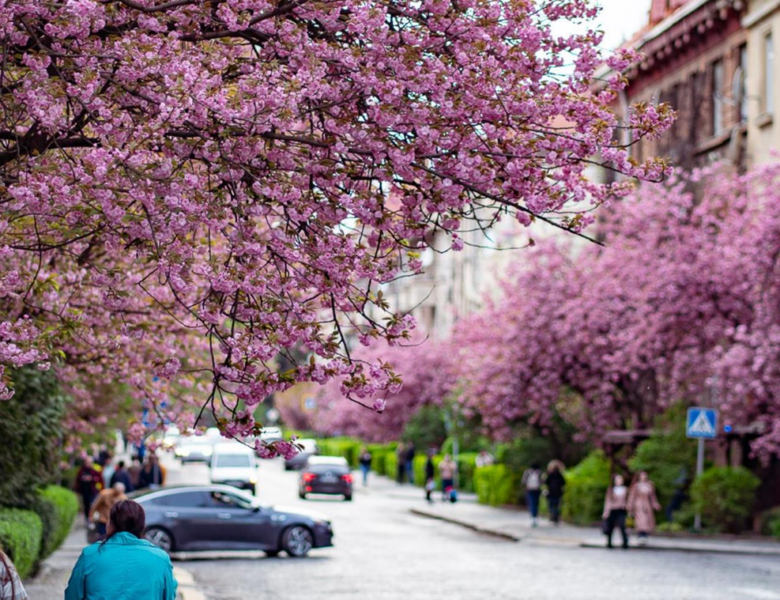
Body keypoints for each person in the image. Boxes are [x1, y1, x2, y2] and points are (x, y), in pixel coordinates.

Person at [65, 500, 177, 600]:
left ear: (110, 525)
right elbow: (169, 595)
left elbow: (72, 595)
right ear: (141, 526)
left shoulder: (90, 555)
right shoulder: (161, 558)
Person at [628, 471, 661, 545]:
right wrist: (630, 505)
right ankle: (640, 534)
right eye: (642, 475)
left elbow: (653, 497)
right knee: (640, 520)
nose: (643, 477)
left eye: (645, 475)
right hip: (638, 504)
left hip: (646, 504)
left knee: (647, 520)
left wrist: (655, 504)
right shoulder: (636, 485)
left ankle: (645, 535)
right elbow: (632, 496)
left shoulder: (649, 485)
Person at [603, 474, 630, 549]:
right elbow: (607, 500)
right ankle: (609, 542)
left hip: (621, 509)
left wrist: (628, 506)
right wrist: (606, 511)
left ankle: (625, 542)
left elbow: (628, 499)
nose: (619, 481)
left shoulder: (625, 489)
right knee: (610, 527)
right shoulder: (611, 489)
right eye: (617, 480)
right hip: (613, 509)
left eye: (620, 480)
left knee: (623, 526)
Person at [545, 460, 566, 526]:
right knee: (557, 506)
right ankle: (556, 518)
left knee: (551, 506)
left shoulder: (550, 475)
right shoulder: (560, 475)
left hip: (551, 492)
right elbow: (564, 483)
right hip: (558, 493)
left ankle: (552, 517)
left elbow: (546, 482)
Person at [521, 463, 543, 527]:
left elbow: (523, 481)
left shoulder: (527, 472)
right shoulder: (539, 473)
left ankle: (533, 517)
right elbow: (542, 481)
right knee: (534, 503)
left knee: (533, 503)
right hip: (534, 490)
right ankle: (534, 517)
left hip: (531, 490)